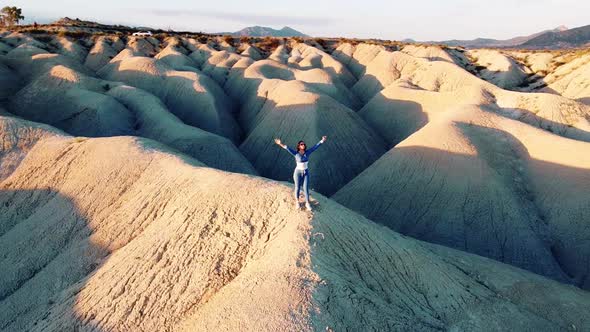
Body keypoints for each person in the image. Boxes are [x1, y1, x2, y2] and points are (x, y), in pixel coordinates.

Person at [274, 136, 327, 211]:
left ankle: (307, 203)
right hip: (298, 172)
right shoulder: (295, 153)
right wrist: (280, 143)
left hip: (305, 172)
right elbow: (287, 148)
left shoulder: (307, 152)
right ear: (299, 146)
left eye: (304, 144)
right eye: (301, 144)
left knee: (305, 188)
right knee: (297, 187)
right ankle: (297, 202)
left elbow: (315, 147)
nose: (303, 145)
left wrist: (322, 140)